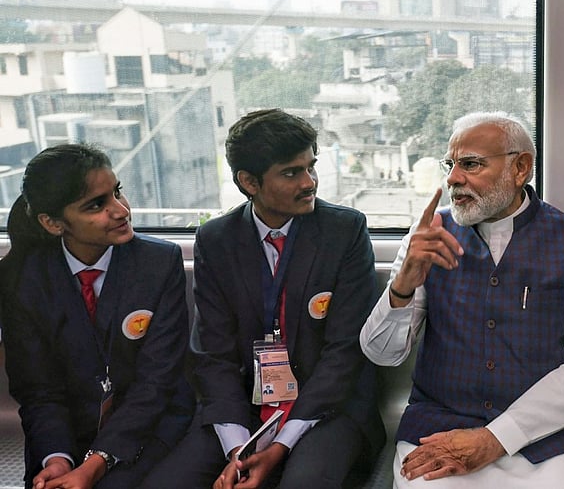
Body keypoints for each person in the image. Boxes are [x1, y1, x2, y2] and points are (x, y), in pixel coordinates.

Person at [360, 111, 564, 488]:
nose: (452, 179)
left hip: (551, 438)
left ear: (520, 168)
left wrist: (498, 437)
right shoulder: (429, 236)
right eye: (451, 165)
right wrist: (403, 284)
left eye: (470, 164)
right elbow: (382, 354)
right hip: (439, 428)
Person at [146, 109, 385, 489]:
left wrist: (279, 446)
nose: (310, 183)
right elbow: (213, 354)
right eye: (292, 172)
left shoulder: (344, 231)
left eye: (312, 167)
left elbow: (344, 353)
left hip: (326, 409)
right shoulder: (216, 240)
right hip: (243, 409)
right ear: (249, 182)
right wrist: (239, 449)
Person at [0, 144, 194, 489]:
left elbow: (156, 382)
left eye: (117, 192)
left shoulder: (158, 264)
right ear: (53, 223)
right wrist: (57, 459)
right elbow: (39, 390)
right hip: (65, 433)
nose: (120, 210)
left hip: (147, 426)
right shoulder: (22, 281)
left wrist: (97, 462)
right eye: (97, 205)